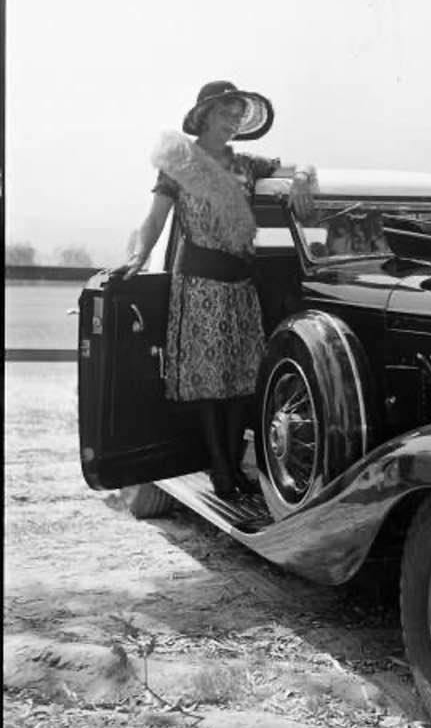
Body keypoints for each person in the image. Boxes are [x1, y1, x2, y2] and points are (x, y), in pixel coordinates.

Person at [124, 80, 315, 497]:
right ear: (206, 114)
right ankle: (220, 469)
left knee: (239, 383)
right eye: (226, 114)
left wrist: (302, 177)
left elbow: (297, 167)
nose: (232, 122)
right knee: (210, 384)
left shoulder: (247, 165)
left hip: (240, 285)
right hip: (200, 285)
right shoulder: (180, 163)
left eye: (237, 116)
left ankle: (233, 468)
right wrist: (138, 256)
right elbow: (155, 219)